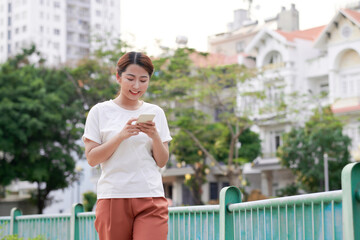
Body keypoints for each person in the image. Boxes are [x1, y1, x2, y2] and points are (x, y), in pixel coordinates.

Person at [82, 51, 172, 240]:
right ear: (118, 77)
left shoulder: (156, 112)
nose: (137, 86)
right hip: (113, 196)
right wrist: (120, 136)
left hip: (151, 197)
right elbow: (92, 158)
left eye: (143, 80)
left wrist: (154, 135)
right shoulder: (100, 112)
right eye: (130, 78)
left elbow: (162, 161)